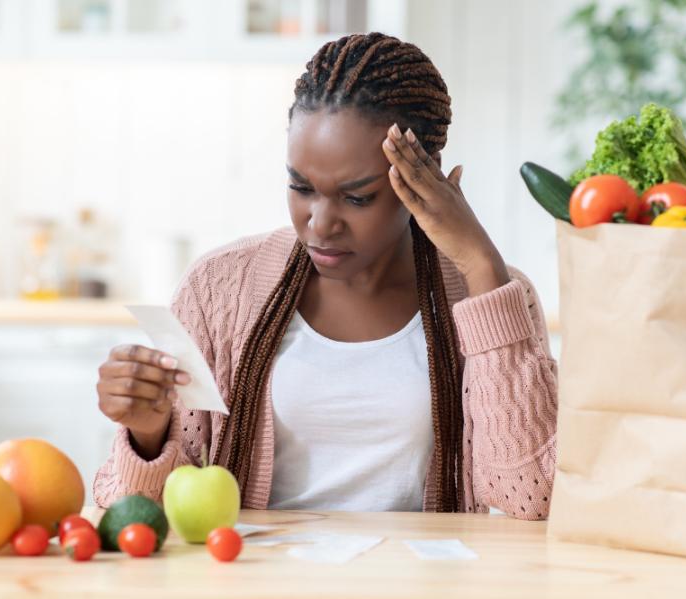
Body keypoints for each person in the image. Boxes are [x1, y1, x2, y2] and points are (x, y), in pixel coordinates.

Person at [93, 32, 557, 520]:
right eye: (301, 187)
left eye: (357, 197)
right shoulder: (217, 288)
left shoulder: (494, 294)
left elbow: (530, 496)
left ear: (425, 174)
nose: (319, 223)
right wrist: (147, 435)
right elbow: (135, 514)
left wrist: (482, 266)